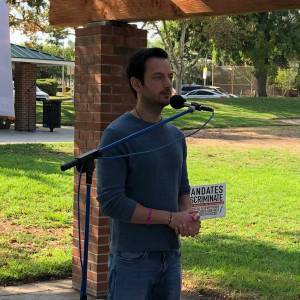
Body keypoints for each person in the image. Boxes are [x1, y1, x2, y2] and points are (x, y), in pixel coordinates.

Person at [96, 47, 201, 300]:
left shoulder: (176, 135)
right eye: (157, 77)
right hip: (132, 256)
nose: (167, 84)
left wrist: (186, 215)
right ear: (136, 83)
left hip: (170, 254)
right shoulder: (118, 134)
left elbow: (182, 188)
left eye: (169, 77)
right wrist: (170, 218)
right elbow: (111, 202)